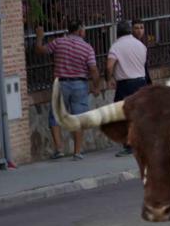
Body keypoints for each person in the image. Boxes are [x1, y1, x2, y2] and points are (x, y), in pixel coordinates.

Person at [35, 21, 100, 160]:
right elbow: (93, 69)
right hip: (80, 84)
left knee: (55, 117)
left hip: (61, 84)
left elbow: (40, 50)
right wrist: (96, 86)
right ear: (80, 30)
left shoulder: (58, 42)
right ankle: (77, 152)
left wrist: (39, 36)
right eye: (84, 29)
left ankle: (59, 149)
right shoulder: (87, 48)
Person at [106, 19, 150, 156]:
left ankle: (129, 145)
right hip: (141, 82)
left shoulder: (116, 46)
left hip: (125, 84)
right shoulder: (140, 45)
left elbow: (109, 66)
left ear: (117, 32)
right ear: (130, 30)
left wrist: (109, 78)